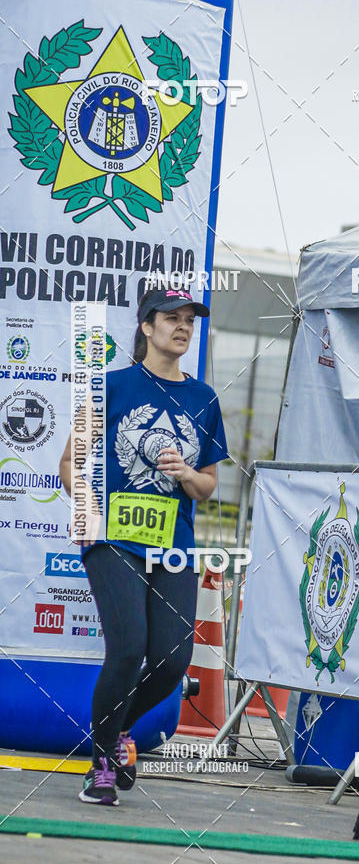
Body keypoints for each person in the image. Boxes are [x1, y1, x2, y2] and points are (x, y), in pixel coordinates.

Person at [58, 286, 228, 806]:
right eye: (170, 318)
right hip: (114, 539)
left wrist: (184, 475)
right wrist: (89, 510)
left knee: (173, 659)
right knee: (129, 648)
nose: (182, 327)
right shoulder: (111, 387)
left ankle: (111, 738)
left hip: (172, 543)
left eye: (189, 321)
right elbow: (68, 464)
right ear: (147, 328)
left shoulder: (204, 399)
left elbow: (208, 486)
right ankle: (101, 767)